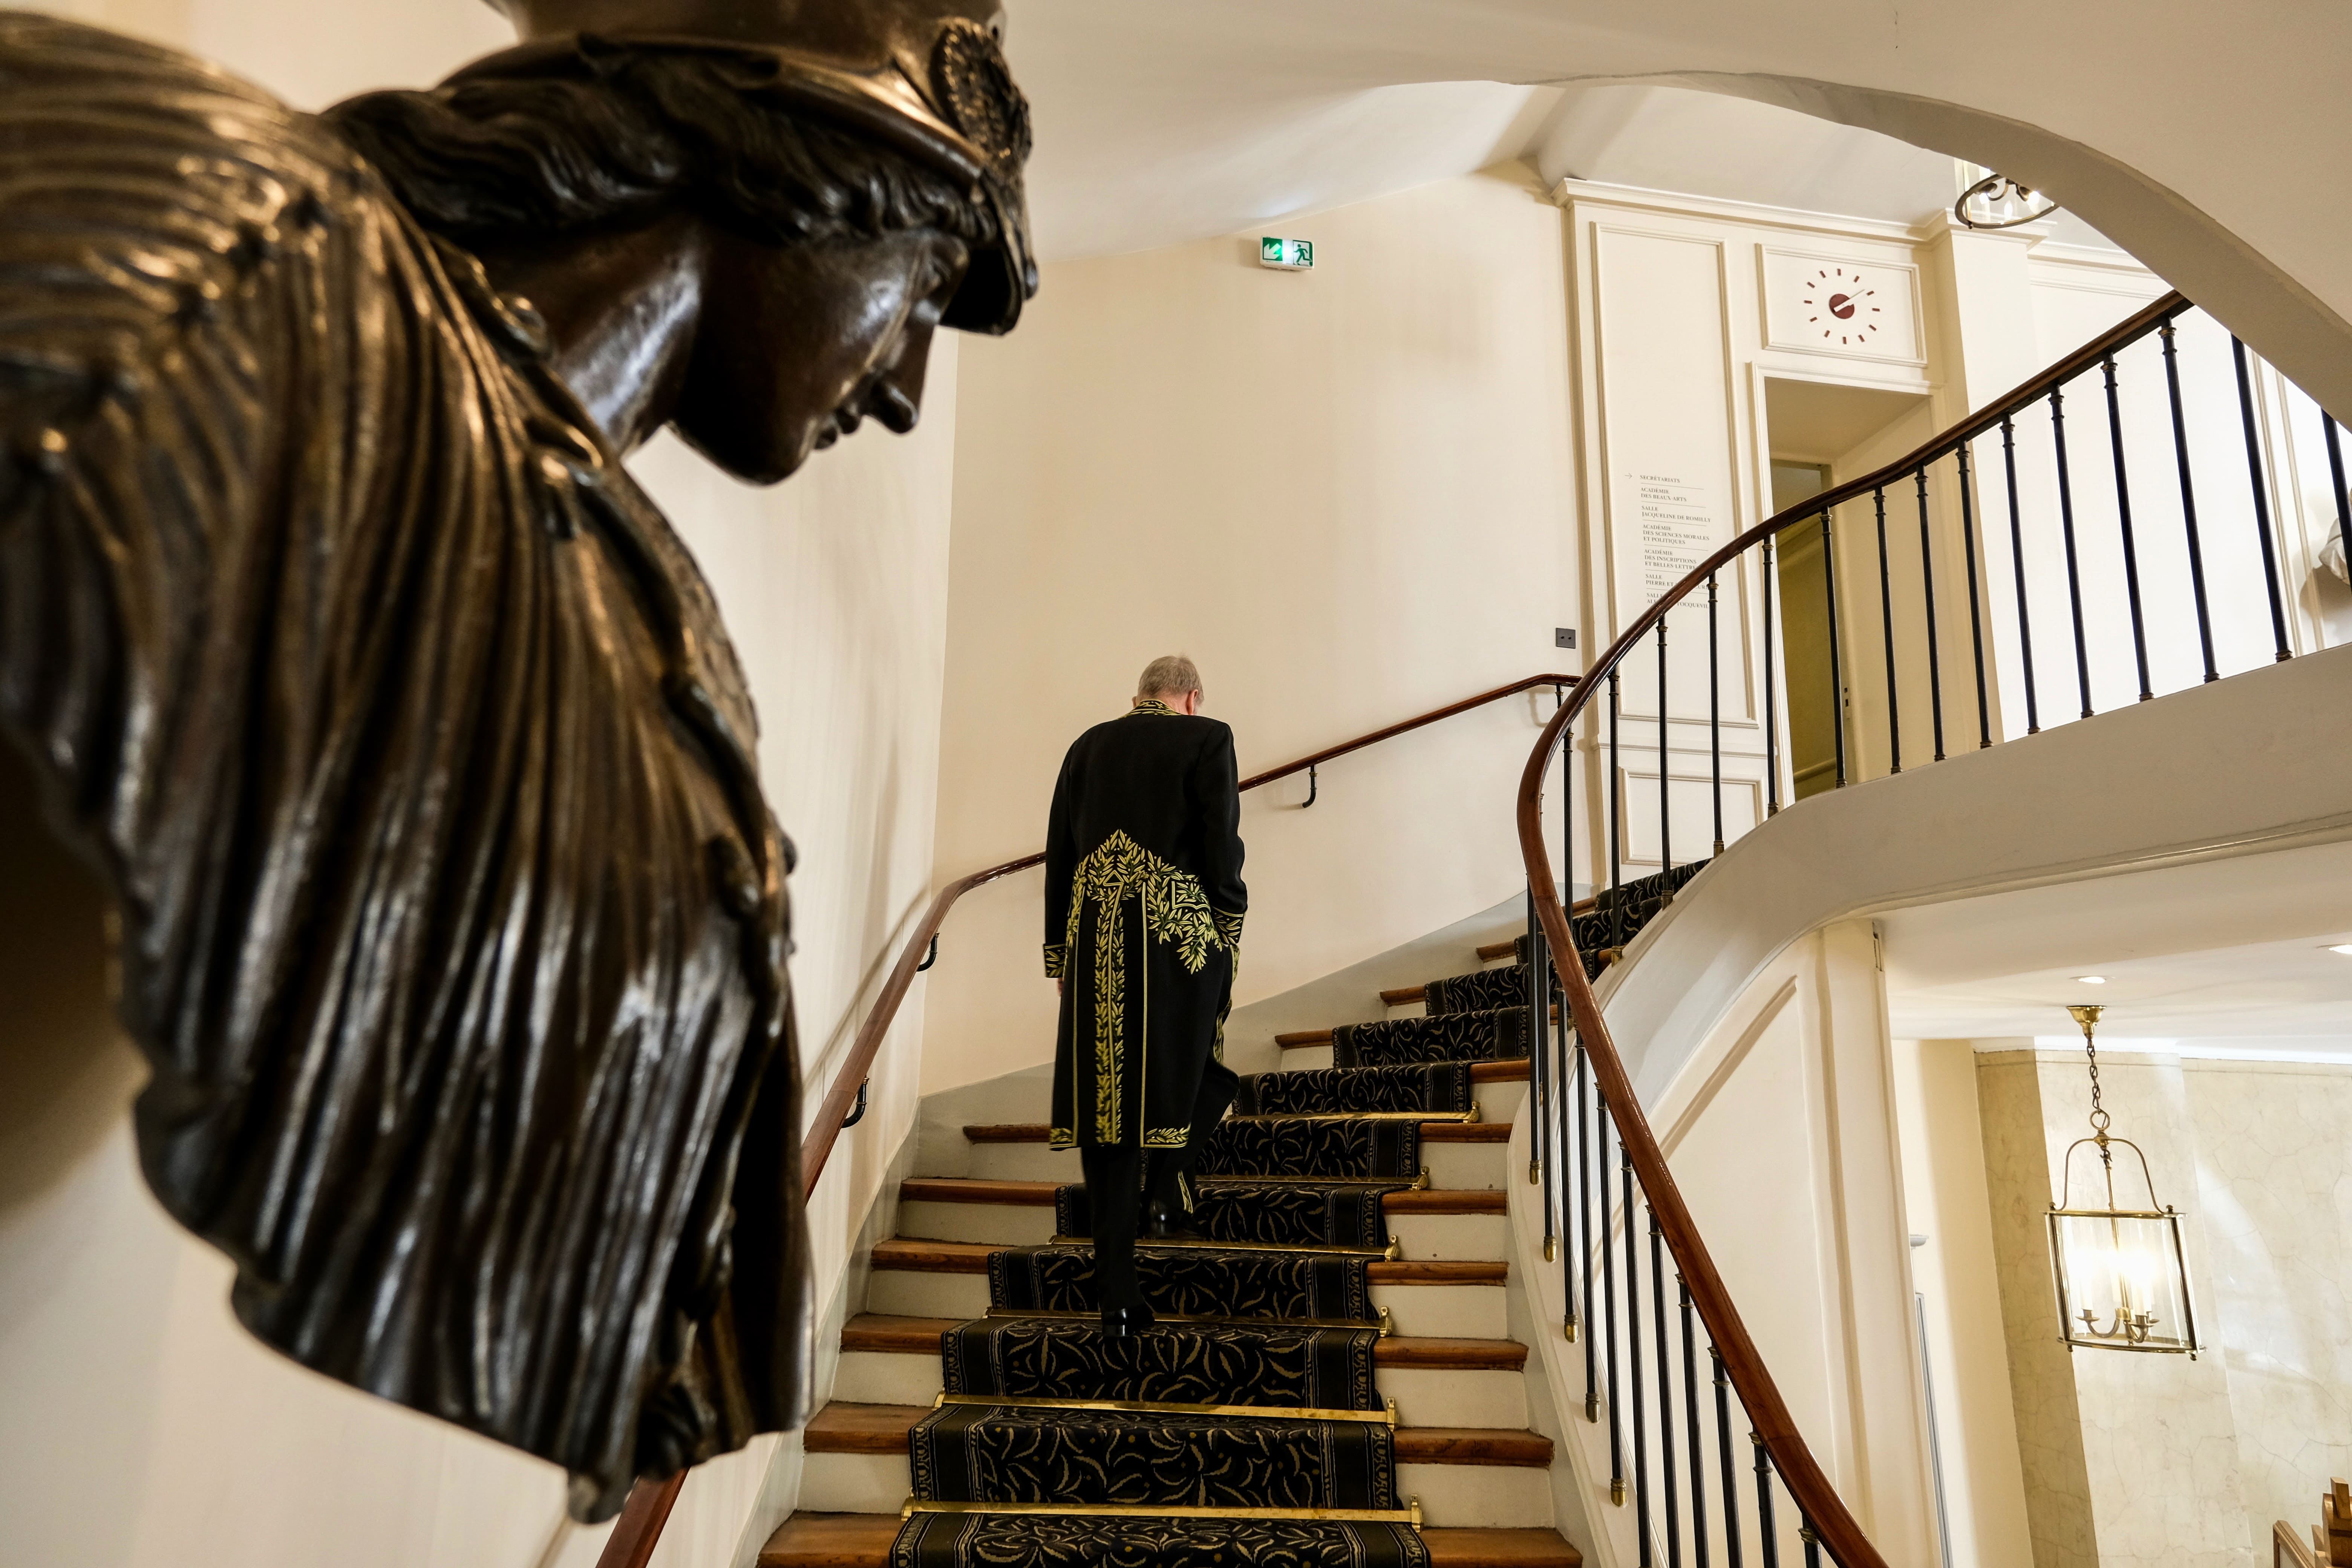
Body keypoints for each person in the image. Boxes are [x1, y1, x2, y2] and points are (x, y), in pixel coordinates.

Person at [0, 0, 1032, 1521]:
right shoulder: (228, 237)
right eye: (926, 285)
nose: (901, 385)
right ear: (800, 166)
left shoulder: (642, 619)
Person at [1044, 655, 1248, 1334]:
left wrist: (1060, 954)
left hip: (1095, 938)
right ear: (1192, 697)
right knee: (1200, 1069)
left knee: (1109, 1108)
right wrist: (1229, 923)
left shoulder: (1086, 747)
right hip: (1176, 933)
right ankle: (1166, 1184)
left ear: (1140, 696)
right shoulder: (1208, 737)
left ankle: (1118, 1296)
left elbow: (1061, 857)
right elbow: (1222, 841)